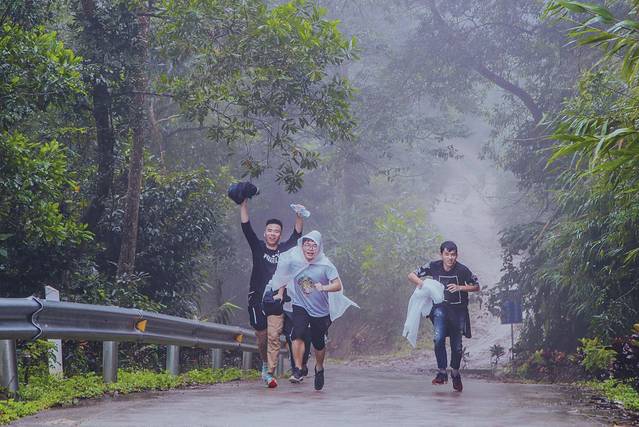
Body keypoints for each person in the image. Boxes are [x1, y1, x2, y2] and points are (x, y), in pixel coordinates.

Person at [268, 230, 358, 390]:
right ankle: (298, 369)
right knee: (297, 334)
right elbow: (284, 276)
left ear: (319, 247)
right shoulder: (296, 261)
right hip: (300, 305)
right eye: (307, 245)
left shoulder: (325, 264)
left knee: (318, 343)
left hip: (320, 310)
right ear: (302, 246)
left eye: (313, 245)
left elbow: (337, 285)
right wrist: (280, 293)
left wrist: (324, 287)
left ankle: (319, 367)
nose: (310, 248)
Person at [240, 198, 304, 388]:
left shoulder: (284, 250)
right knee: (262, 335)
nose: (273, 234)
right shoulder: (258, 247)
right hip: (257, 298)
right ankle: (265, 363)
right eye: (270, 230)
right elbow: (246, 228)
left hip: (277, 299)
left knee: (277, 334)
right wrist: (243, 204)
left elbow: (297, 235)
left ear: (279, 234)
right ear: (265, 232)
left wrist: (299, 215)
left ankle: (273, 372)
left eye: (276, 231)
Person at [407, 241, 479, 392]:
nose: (450, 258)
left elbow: (476, 286)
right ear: (441, 255)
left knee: (457, 346)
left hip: (458, 311)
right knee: (438, 339)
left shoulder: (463, 270)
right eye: (447, 254)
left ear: (456, 255)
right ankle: (442, 372)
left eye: (453, 255)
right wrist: (423, 284)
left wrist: (460, 287)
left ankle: (455, 373)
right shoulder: (433, 266)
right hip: (440, 309)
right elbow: (411, 275)